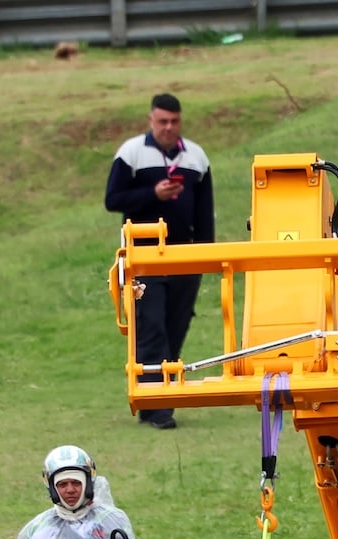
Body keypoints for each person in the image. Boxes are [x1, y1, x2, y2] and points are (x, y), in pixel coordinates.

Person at [105, 93, 214, 430]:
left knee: (175, 327)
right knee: (151, 328)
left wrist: (206, 255)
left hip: (184, 257)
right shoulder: (132, 153)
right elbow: (113, 200)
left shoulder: (195, 157)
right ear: (151, 120)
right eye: (162, 121)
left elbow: (204, 211)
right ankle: (161, 406)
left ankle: (153, 401)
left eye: (174, 121)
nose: (169, 127)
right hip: (144, 256)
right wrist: (153, 194)